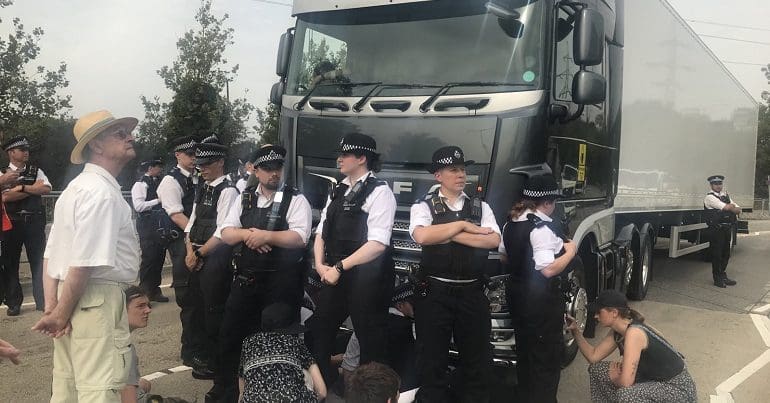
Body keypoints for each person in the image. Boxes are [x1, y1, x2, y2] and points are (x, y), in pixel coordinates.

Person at [32, 109, 140, 402]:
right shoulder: (101, 193)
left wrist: (54, 307)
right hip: (96, 297)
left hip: (73, 296)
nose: (130, 137)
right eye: (119, 133)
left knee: (68, 387)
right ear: (96, 144)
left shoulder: (74, 190)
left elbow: (51, 255)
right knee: (100, 390)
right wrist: (60, 313)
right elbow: (83, 263)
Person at [212, 144, 312, 402]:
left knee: (277, 343)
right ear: (255, 170)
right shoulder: (243, 198)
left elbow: (300, 236)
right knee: (231, 339)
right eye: (267, 169)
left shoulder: (295, 198)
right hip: (246, 281)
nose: (274, 174)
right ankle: (228, 393)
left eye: (277, 168)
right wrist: (249, 235)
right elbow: (226, 232)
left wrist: (268, 236)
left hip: (281, 285)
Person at [409, 146, 500, 403]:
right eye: (453, 170)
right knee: (431, 360)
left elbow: (492, 240)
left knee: (477, 360)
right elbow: (422, 236)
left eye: (462, 169)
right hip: (435, 293)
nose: (461, 175)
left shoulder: (481, 207)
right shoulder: (423, 205)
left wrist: (448, 234)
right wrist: (462, 226)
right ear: (438, 175)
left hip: (472, 293)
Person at [312, 132, 397, 387]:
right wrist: (319, 265)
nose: (339, 159)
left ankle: (371, 393)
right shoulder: (339, 189)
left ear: (362, 158)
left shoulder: (380, 193)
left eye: (345, 154)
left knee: (371, 343)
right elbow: (321, 231)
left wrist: (339, 267)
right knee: (320, 332)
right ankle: (323, 387)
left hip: (368, 278)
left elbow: (377, 244)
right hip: (334, 272)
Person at [499, 174, 576, 403]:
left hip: (517, 295)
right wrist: (571, 251)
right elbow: (548, 270)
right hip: (541, 300)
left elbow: (504, 256)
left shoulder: (510, 222)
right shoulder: (541, 228)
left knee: (526, 352)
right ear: (548, 202)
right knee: (547, 357)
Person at [566, 290, 697, 402]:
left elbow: (626, 382)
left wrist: (619, 376)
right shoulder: (619, 330)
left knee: (626, 395)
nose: (595, 316)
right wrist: (576, 332)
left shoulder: (634, 333)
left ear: (614, 312)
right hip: (651, 379)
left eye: (599, 312)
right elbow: (593, 357)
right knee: (597, 370)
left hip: (677, 389)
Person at [184, 135, 239, 387]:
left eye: (207, 164)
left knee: (213, 310)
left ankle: (218, 363)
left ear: (220, 163)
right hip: (196, 254)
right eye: (200, 165)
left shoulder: (227, 190)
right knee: (195, 308)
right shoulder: (202, 187)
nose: (202, 169)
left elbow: (222, 231)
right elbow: (192, 222)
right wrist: (188, 251)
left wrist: (199, 254)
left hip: (214, 258)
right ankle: (201, 356)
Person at [156, 135, 208, 376]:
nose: (194, 158)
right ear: (178, 155)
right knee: (190, 301)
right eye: (190, 154)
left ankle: (202, 349)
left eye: (196, 154)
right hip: (183, 244)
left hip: (200, 243)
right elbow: (176, 214)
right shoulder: (170, 181)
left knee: (204, 300)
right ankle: (192, 353)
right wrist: (196, 235)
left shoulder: (199, 177)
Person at [0, 135, 52, 315]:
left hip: (34, 221)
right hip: (11, 223)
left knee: (39, 262)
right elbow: (5, 197)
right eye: (22, 150)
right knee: (11, 263)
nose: (26, 153)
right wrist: (32, 189)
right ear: (11, 152)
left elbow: (46, 189)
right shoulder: (2, 172)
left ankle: (43, 300)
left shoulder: (36, 170)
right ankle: (14, 303)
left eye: (27, 149)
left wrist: (21, 188)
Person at [238, 303, 326, 403]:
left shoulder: (249, 342)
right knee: (306, 374)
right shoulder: (296, 342)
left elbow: (242, 387)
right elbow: (322, 392)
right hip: (293, 399)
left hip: (253, 400)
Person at [132, 158, 169, 302]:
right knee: (149, 258)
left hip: (159, 223)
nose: (160, 169)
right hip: (147, 224)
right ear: (150, 168)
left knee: (159, 256)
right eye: (157, 166)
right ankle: (145, 292)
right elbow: (139, 206)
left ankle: (155, 290)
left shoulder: (157, 182)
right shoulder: (140, 184)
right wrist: (158, 201)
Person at [703, 175, 741, 288]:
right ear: (711, 185)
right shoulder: (709, 197)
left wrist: (732, 207)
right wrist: (731, 207)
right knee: (717, 254)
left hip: (726, 228)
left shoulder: (725, 195)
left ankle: (723, 275)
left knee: (726, 254)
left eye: (720, 183)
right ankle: (717, 278)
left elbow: (738, 209)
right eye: (715, 184)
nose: (718, 186)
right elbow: (727, 208)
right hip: (716, 229)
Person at [121, 286, 153, 403]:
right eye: (140, 306)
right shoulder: (123, 348)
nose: (148, 310)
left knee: (144, 384)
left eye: (147, 305)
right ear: (121, 310)